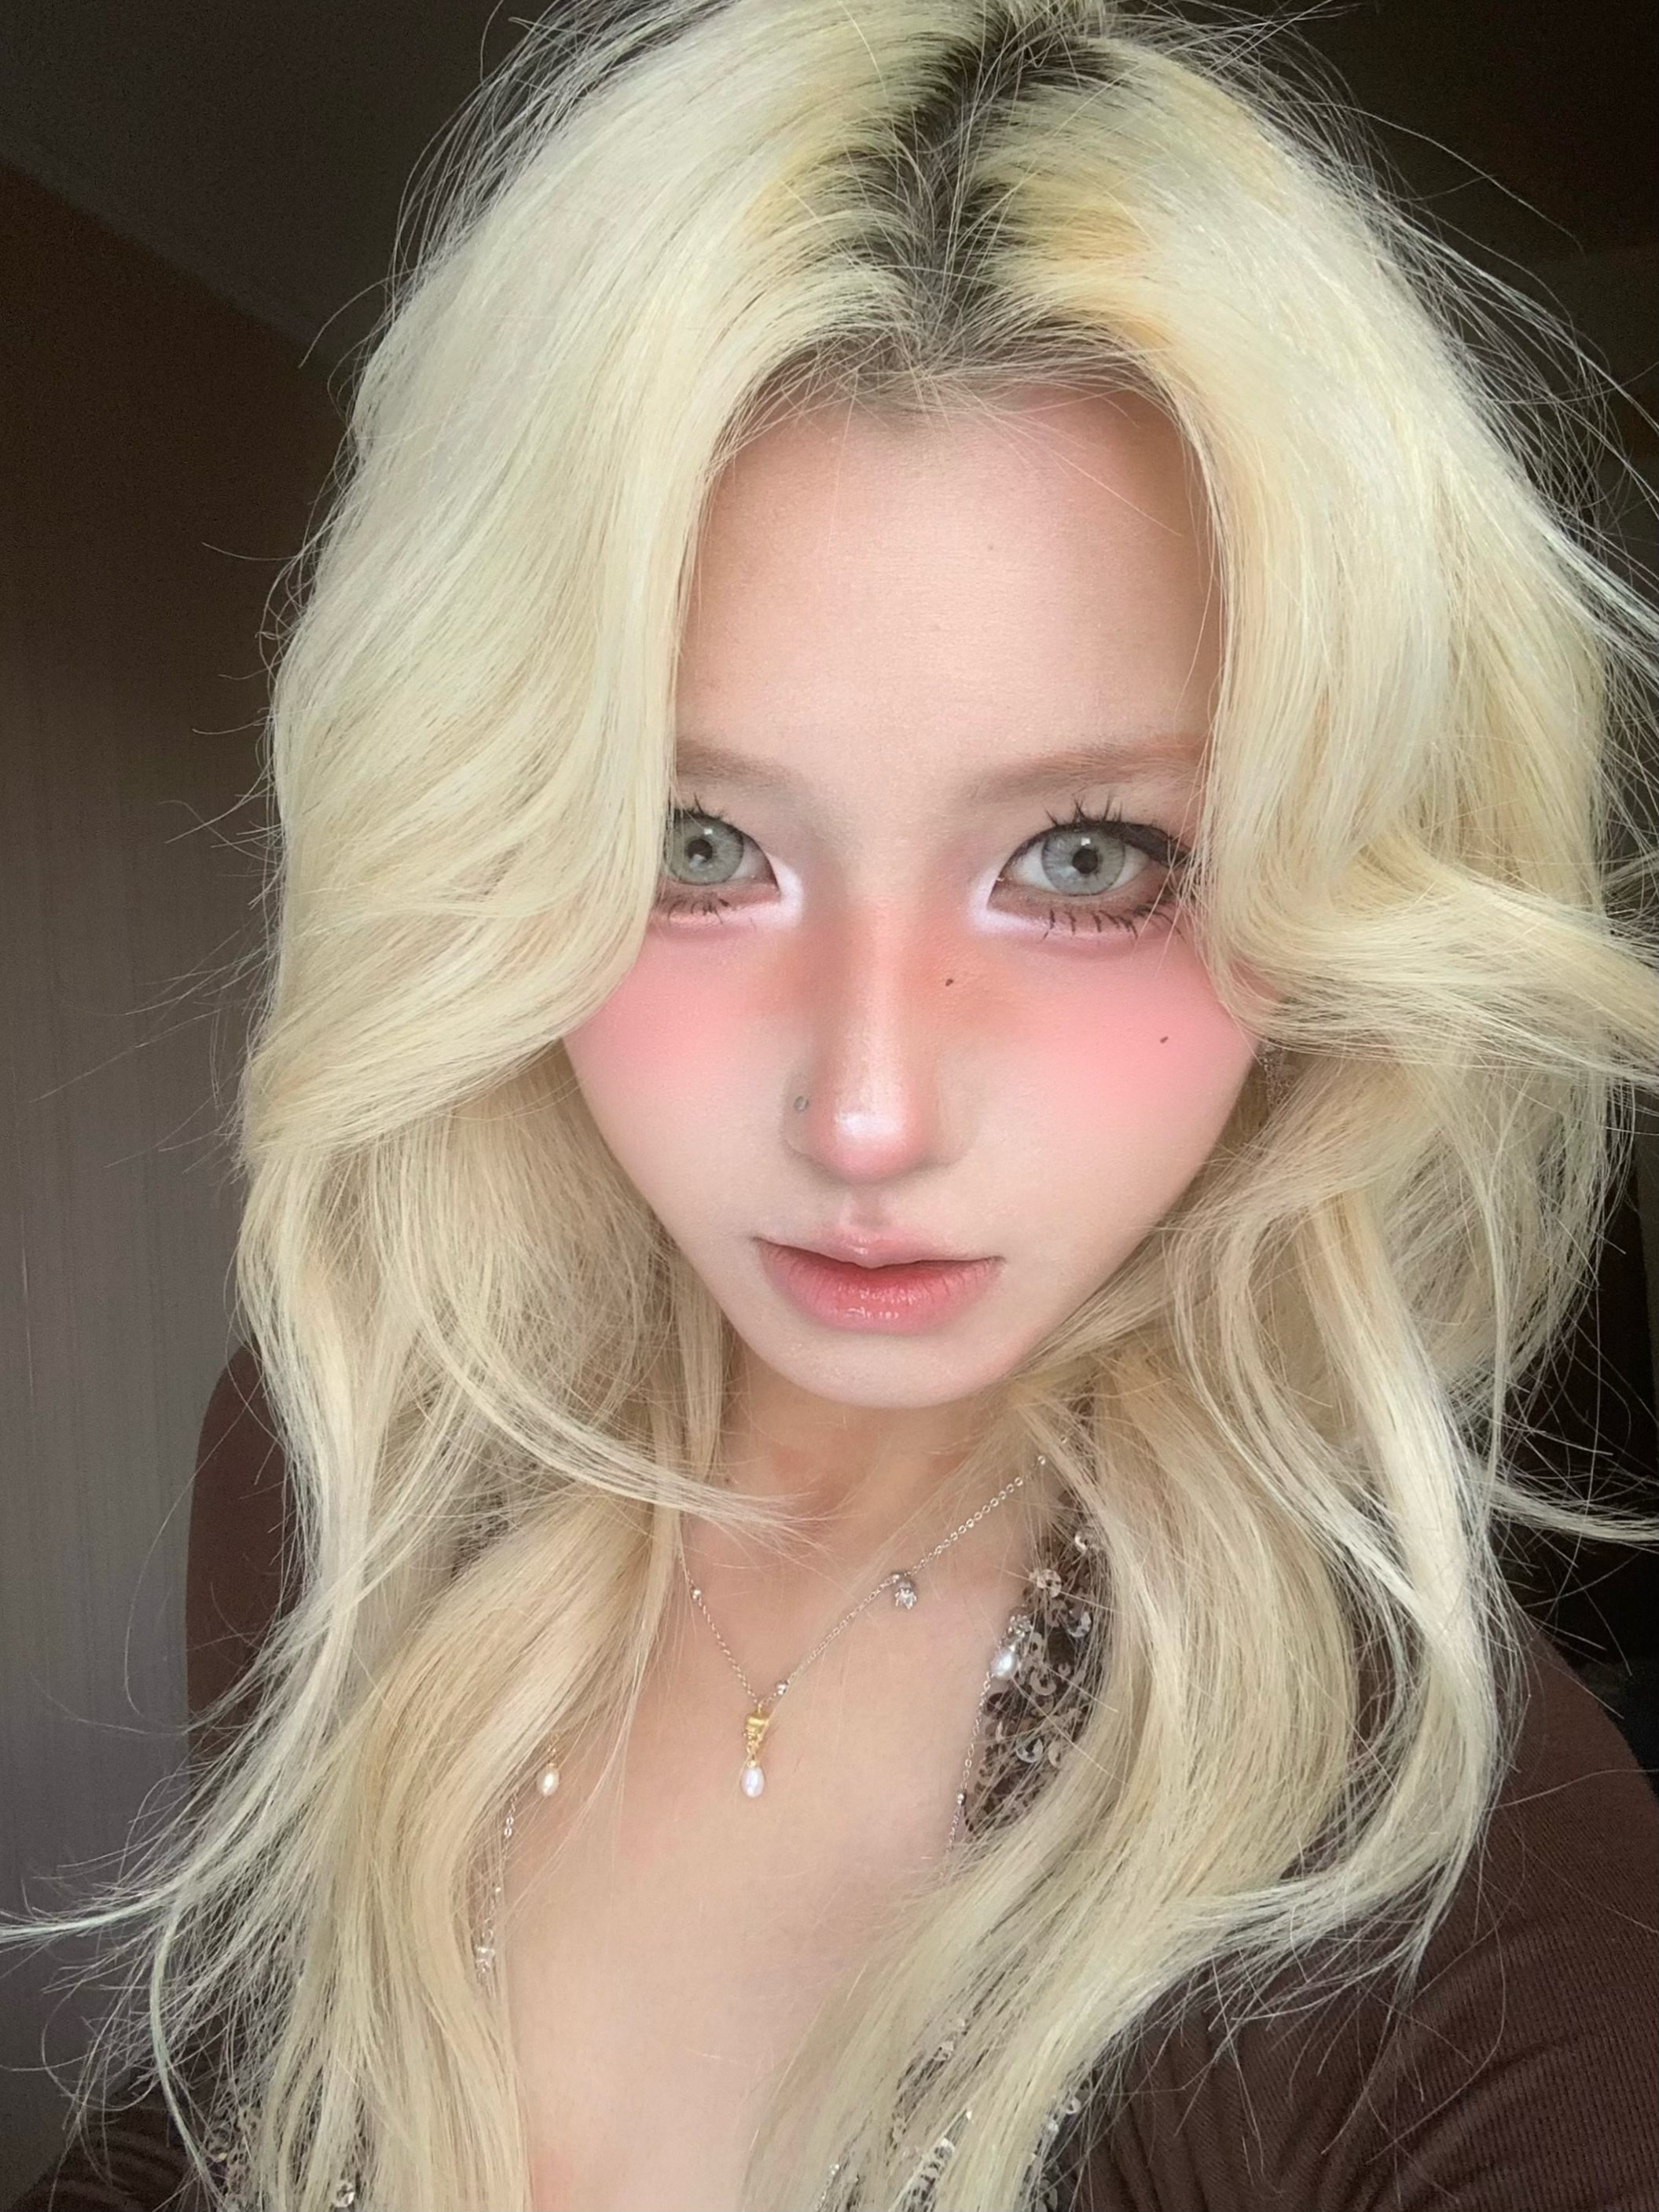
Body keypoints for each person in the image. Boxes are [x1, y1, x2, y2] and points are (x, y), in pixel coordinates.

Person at [7, 2, 1657, 2207]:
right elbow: (226, 2112)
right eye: (693, 843)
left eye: (1089, 859)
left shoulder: (1485, 1965)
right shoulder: (344, 1471)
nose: (867, 1114)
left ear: (1342, 884)